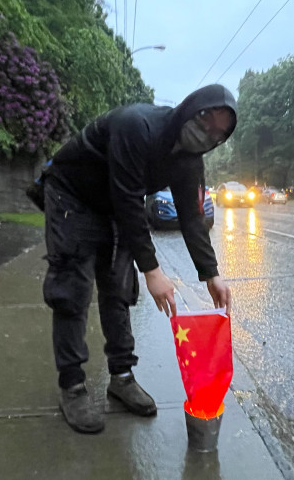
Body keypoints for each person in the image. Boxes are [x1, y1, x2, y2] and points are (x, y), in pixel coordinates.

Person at [41, 84, 236, 434]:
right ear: (191, 108)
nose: (208, 133)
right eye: (206, 121)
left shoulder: (189, 160)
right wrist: (152, 270)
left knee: (118, 288)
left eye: (219, 133)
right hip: (73, 194)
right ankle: (71, 386)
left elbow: (192, 218)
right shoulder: (138, 126)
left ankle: (122, 377)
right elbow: (129, 199)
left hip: (114, 205)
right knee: (72, 290)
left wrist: (211, 274)